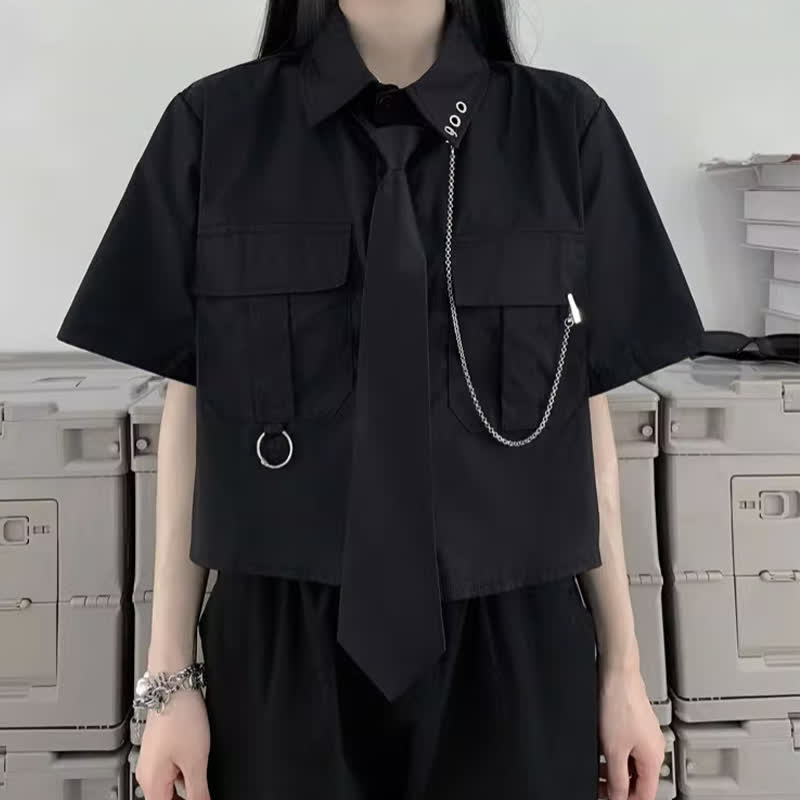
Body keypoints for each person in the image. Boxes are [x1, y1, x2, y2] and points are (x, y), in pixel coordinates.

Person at [56, 1, 706, 798]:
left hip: (515, 646)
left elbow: (582, 420)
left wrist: (624, 671)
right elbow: (191, 411)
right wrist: (169, 682)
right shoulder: (215, 129)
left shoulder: (563, 130)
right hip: (282, 649)